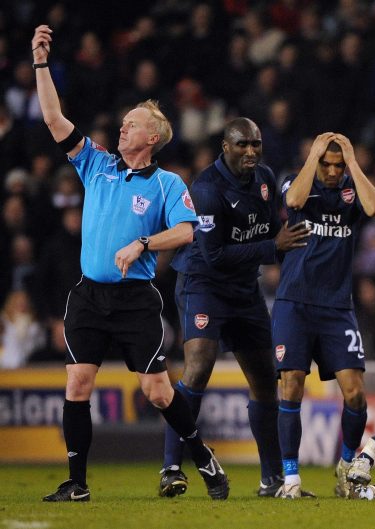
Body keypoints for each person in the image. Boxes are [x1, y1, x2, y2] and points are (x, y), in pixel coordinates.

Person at [31, 25, 228, 501]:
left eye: (132, 123)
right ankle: (76, 483)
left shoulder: (166, 184)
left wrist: (142, 243)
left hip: (136, 299)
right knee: (77, 383)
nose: (123, 127)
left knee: (157, 393)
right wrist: (41, 63)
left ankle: (202, 455)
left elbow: (188, 230)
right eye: (123, 122)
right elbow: (54, 118)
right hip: (88, 294)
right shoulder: (96, 163)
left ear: (154, 135)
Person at [158, 118, 310, 498]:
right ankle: (171, 468)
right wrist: (273, 248)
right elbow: (212, 256)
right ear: (225, 147)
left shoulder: (265, 180)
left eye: (256, 144)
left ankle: (270, 479)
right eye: (242, 144)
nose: (251, 151)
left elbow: (275, 230)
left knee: (264, 381)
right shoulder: (207, 189)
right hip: (203, 284)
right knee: (198, 368)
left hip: (243, 289)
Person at [273, 132, 375, 499]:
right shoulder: (296, 180)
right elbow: (293, 200)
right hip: (295, 302)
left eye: (339, 165)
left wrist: (353, 162)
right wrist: (313, 155)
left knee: (355, 394)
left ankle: (347, 465)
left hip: (337, 307)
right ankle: (290, 479)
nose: (334, 171)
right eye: (328, 164)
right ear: (316, 160)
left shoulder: (352, 189)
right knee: (291, 384)